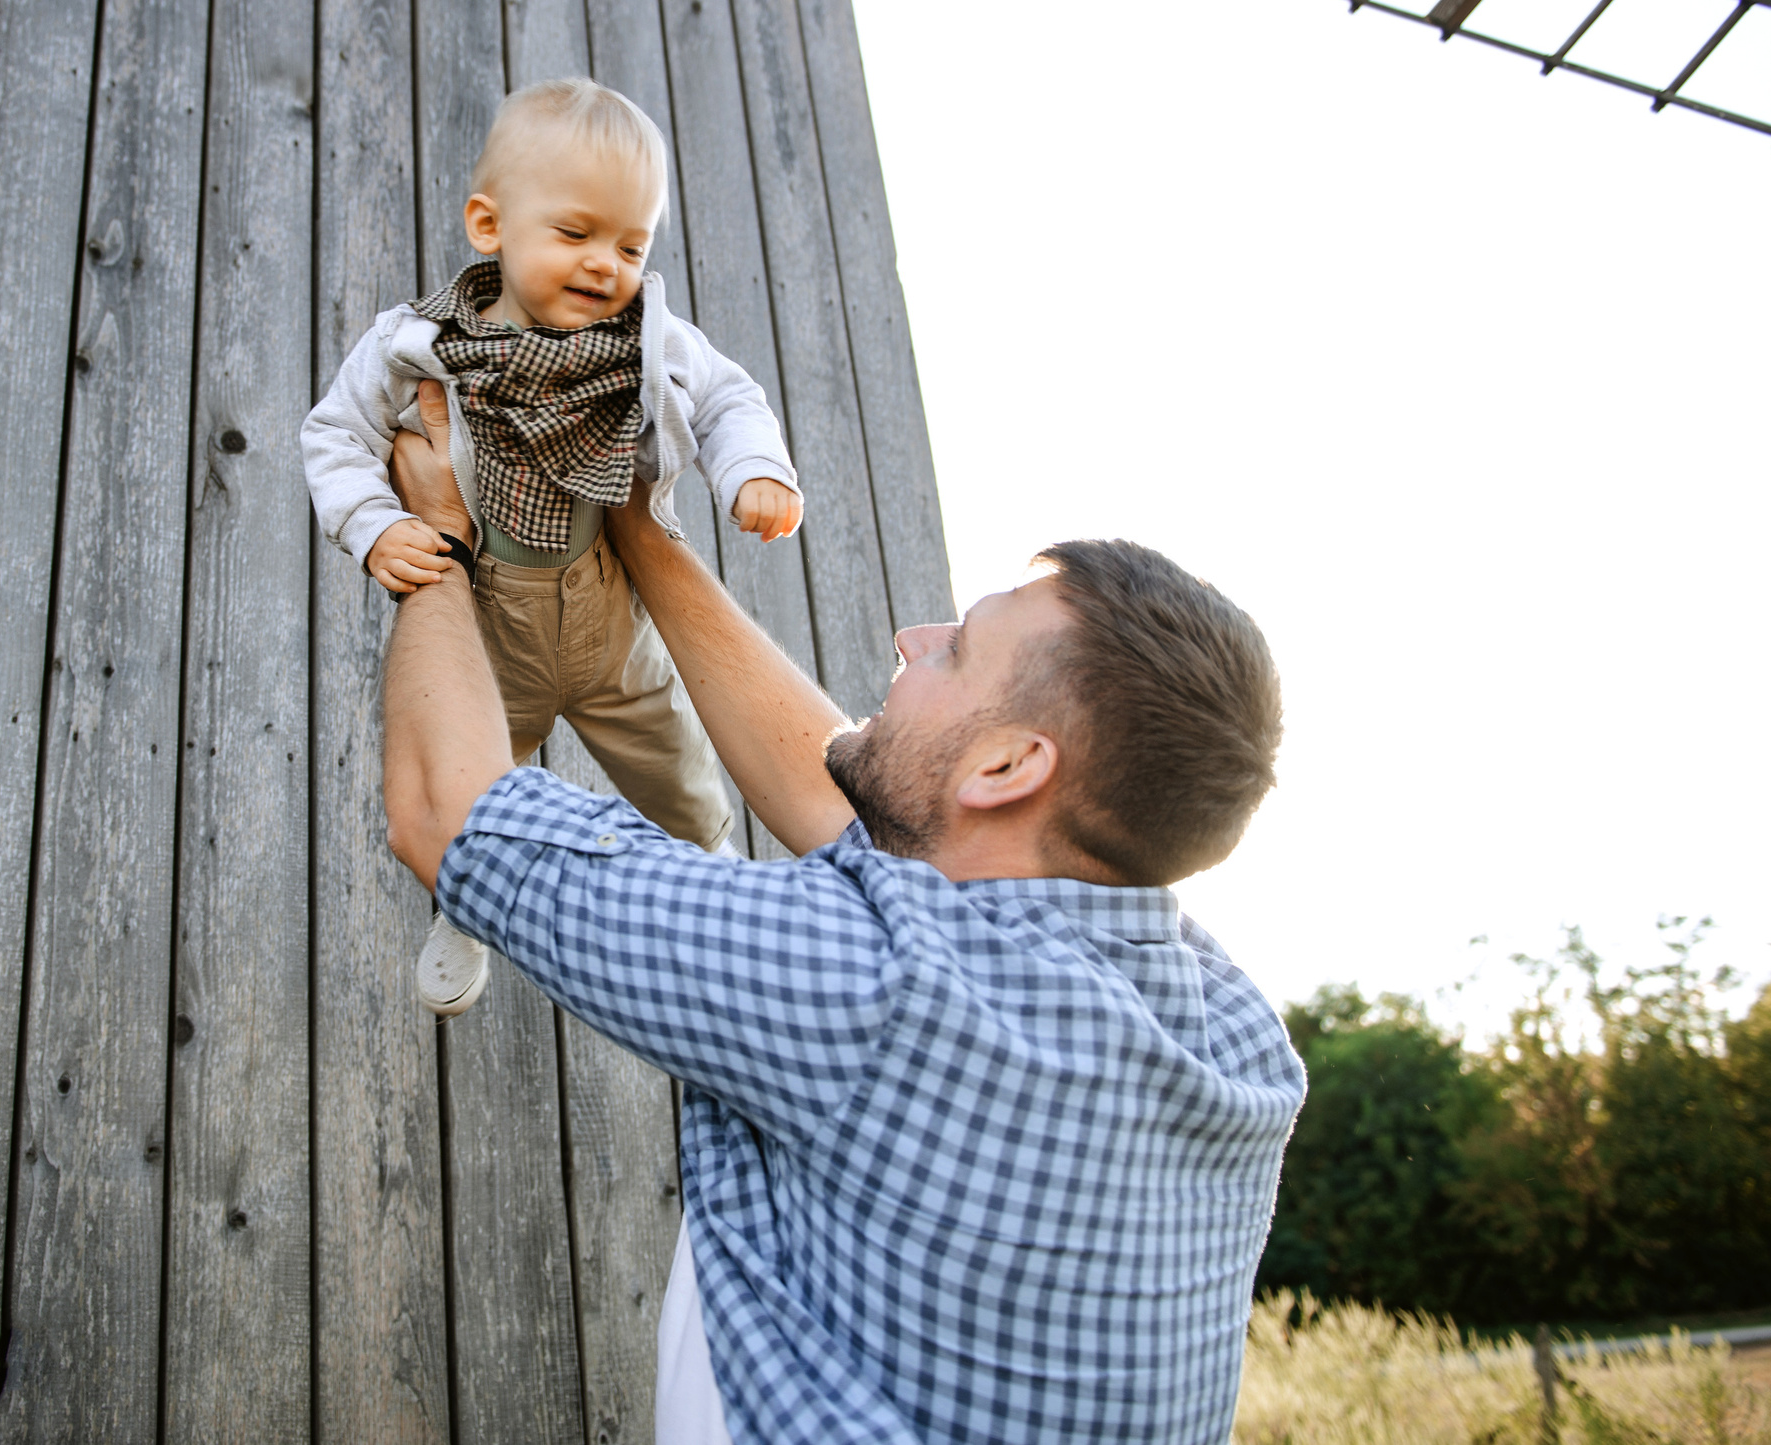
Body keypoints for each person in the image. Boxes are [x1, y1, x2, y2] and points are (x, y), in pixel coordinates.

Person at [381, 381, 1306, 1445]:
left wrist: (439, 535)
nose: (915, 638)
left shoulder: (875, 989)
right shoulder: (1234, 1031)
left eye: (958, 648)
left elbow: (450, 814)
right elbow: (866, 824)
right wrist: (632, 517)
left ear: (1009, 763)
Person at [304, 77, 803, 1016]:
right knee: (478, 787)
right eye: (575, 234)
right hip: (491, 631)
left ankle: (716, 871)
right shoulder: (420, 347)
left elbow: (730, 396)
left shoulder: (648, 342)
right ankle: (473, 904)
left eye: (631, 244)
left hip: (610, 621)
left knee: (678, 769)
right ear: (489, 227)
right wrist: (376, 525)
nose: (605, 265)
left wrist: (751, 472)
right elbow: (334, 436)